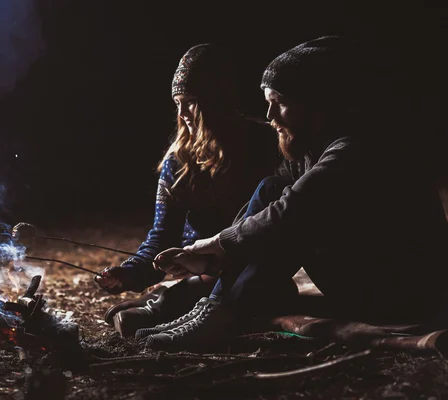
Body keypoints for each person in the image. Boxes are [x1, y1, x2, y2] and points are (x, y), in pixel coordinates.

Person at [143, 36, 448, 352]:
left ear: (316, 103)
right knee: (271, 190)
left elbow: (293, 210)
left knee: (292, 216)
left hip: (404, 293)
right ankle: (217, 307)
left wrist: (217, 244)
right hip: (368, 283)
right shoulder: (309, 153)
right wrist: (212, 258)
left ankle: (222, 311)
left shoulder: (358, 148)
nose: (271, 116)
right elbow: (266, 205)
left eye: (280, 102)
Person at [94, 43, 282, 337]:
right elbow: (162, 236)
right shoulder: (179, 162)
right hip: (198, 268)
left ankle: (168, 303)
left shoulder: (264, 145)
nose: (182, 113)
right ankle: (171, 300)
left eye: (191, 101)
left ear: (216, 101)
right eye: (177, 103)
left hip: (246, 262)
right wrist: (131, 272)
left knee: (254, 286)